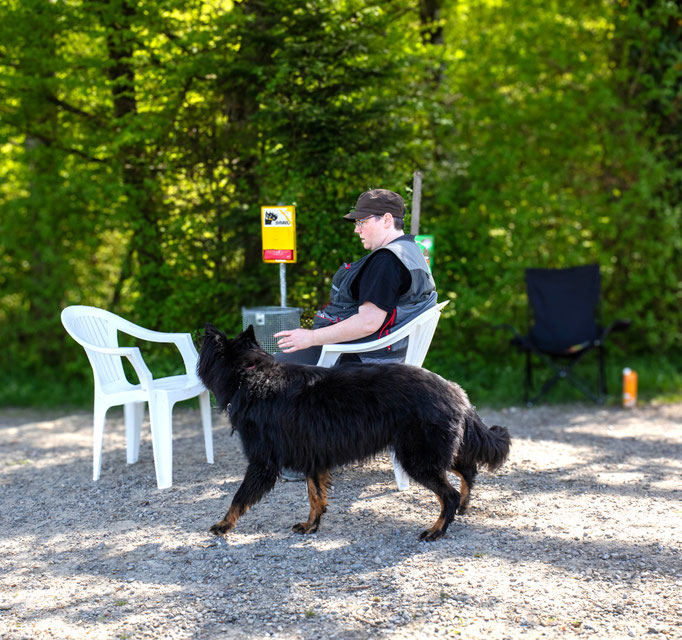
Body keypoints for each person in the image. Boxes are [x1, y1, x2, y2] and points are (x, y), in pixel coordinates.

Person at [274, 188, 437, 365]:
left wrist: (311, 337)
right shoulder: (413, 252)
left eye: (362, 222)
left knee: (271, 368)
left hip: (360, 358)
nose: (357, 230)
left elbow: (368, 323)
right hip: (383, 355)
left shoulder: (386, 260)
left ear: (386, 220)